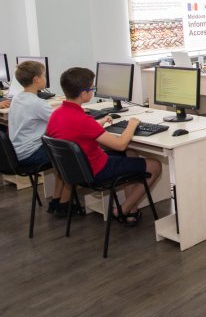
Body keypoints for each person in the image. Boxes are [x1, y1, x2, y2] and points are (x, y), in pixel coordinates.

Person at [46, 67, 162, 225]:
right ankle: (122, 210)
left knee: (131, 153)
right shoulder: (83, 121)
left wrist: (97, 124)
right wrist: (132, 125)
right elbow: (120, 145)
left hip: (76, 171)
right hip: (97, 171)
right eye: (92, 88)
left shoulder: (56, 115)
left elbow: (75, 130)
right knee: (155, 166)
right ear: (84, 93)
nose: (93, 91)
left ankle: (132, 210)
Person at [8, 61, 71, 215]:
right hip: (30, 155)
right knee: (69, 155)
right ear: (36, 79)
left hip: (16, 153)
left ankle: (56, 200)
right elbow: (60, 121)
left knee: (58, 149)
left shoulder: (18, 98)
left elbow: (47, 114)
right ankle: (64, 205)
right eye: (43, 75)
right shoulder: (36, 103)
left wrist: (59, 108)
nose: (45, 78)